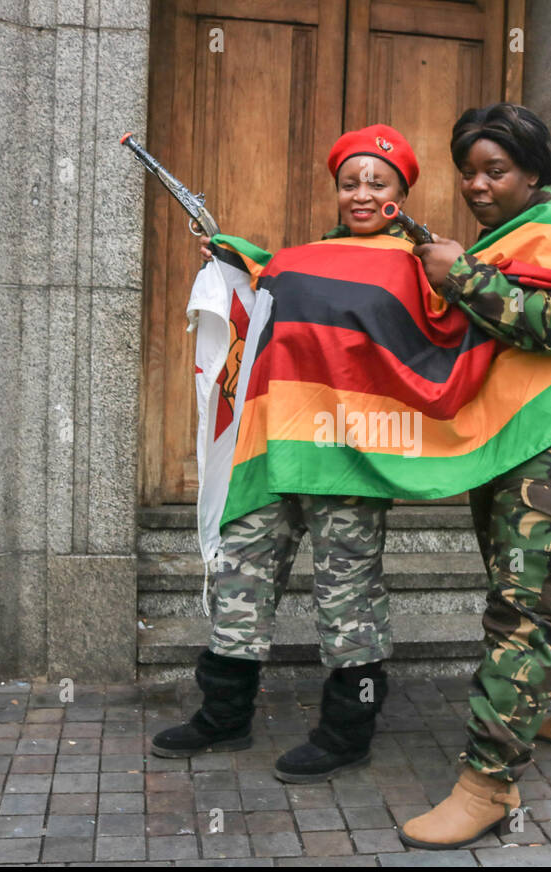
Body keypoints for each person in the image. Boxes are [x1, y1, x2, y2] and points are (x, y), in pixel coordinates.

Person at [401, 103, 551, 848]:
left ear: (533, 171)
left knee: (522, 610)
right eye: (467, 171)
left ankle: (488, 786)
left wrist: (462, 276)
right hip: (527, 438)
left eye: (495, 170)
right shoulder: (502, 240)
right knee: (538, 589)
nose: (477, 184)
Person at [152, 125, 422, 784]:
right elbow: (264, 278)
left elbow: (437, 346)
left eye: (376, 183)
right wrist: (230, 257)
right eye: (350, 182)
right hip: (273, 447)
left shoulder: (420, 264)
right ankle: (224, 716)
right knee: (241, 571)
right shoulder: (302, 258)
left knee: (348, 595)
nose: (361, 194)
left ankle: (346, 732)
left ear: (400, 191)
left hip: (349, 459)